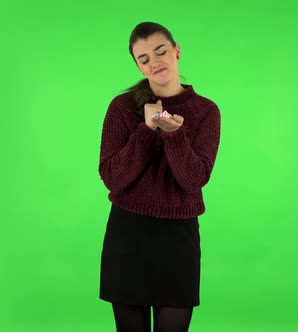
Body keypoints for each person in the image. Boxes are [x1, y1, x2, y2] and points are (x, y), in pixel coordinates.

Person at [98, 22, 221, 332]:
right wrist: (147, 128)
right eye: (144, 58)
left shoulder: (206, 111)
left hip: (178, 240)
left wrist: (174, 135)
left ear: (177, 50)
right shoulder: (122, 108)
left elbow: (194, 181)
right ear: (139, 67)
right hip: (128, 237)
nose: (155, 62)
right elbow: (113, 177)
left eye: (161, 51)